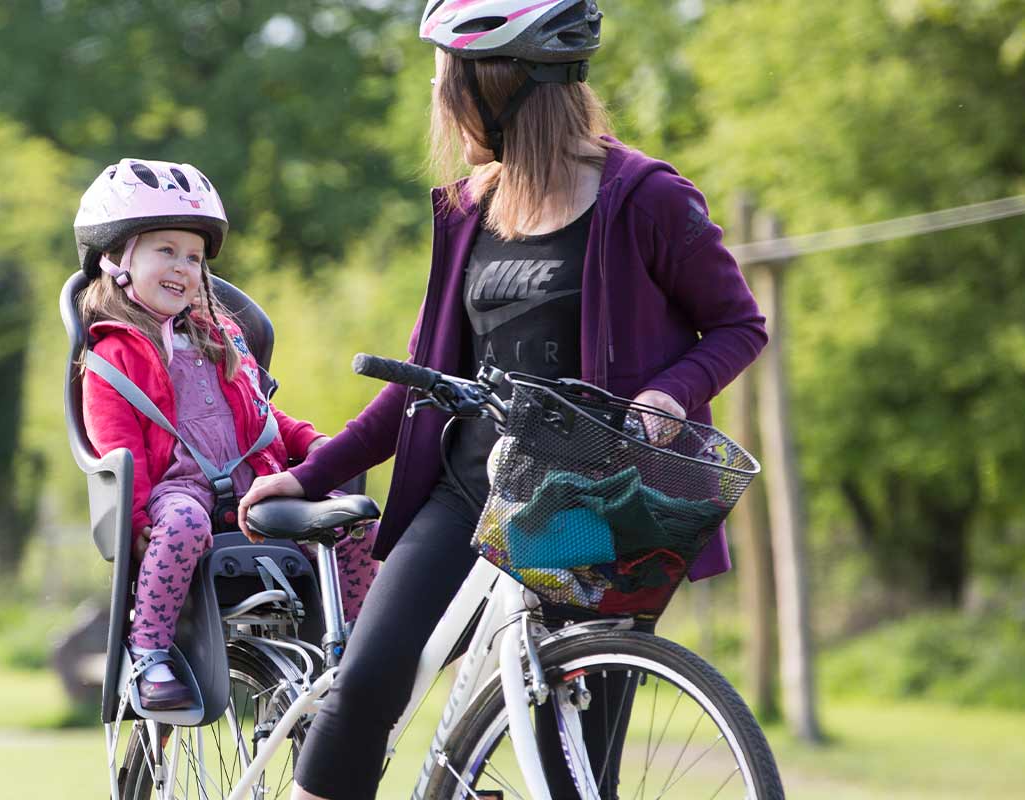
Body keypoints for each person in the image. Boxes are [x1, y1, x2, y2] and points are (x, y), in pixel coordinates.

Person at [236, 1, 768, 797]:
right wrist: (313, 473)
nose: (440, 94)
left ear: (499, 83)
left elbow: (737, 324)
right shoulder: (466, 209)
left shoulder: (646, 198)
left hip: (584, 504)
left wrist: (671, 393)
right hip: (465, 493)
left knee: (573, 749)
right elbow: (423, 380)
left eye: (449, 76)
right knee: (370, 682)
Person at [76, 157, 381, 711]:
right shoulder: (114, 354)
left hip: (257, 486)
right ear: (115, 258)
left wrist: (312, 447)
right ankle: (150, 652)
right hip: (178, 493)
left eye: (193, 257)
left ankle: (361, 637)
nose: (183, 267)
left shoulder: (222, 336)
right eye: (165, 250)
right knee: (185, 520)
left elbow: (261, 415)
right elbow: (119, 447)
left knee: (352, 515)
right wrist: (138, 519)